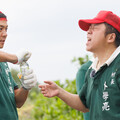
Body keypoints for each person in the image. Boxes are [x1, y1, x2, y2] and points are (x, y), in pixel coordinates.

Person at [39, 10, 120, 120]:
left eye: (94, 28)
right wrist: (59, 92)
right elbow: (84, 104)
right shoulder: (92, 69)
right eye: (89, 28)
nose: (88, 32)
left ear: (111, 37)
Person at [0, 11, 37, 120]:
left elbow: (17, 102)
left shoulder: (3, 62)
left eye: (6, 29)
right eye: (0, 29)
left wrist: (26, 86)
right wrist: (15, 58)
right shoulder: (6, 58)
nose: (5, 33)